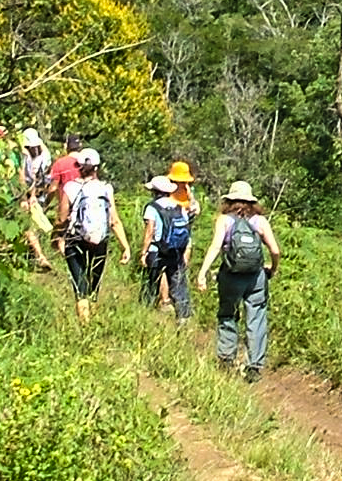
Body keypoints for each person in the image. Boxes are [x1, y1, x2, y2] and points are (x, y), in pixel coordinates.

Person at [195, 180, 281, 381]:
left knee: (228, 314)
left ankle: (226, 358)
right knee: (256, 317)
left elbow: (216, 247)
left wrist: (202, 273)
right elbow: (275, 250)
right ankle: (254, 366)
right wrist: (273, 269)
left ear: (230, 200)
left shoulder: (224, 220)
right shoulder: (260, 221)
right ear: (251, 201)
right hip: (256, 277)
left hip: (230, 275)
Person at [55, 148, 129, 321]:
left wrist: (58, 237)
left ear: (78, 167)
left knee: (80, 285)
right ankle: (94, 321)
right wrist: (125, 246)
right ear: (97, 167)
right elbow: (114, 221)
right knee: (94, 285)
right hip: (100, 241)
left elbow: (61, 218)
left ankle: (84, 326)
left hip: (75, 240)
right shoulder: (106, 189)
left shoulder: (70, 188)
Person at [139, 175, 195, 322]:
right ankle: (184, 318)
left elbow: (150, 231)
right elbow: (186, 229)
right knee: (178, 284)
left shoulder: (152, 207)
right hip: (176, 250)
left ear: (155, 192)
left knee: (151, 283)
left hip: (156, 250)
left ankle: (144, 315)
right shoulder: (179, 207)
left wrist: (143, 252)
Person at [16, 127, 56, 271]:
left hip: (32, 192)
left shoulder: (40, 156)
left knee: (29, 225)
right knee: (26, 225)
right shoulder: (24, 155)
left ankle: (37, 255)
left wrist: (33, 195)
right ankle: (35, 255)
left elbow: (36, 177)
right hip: (26, 193)